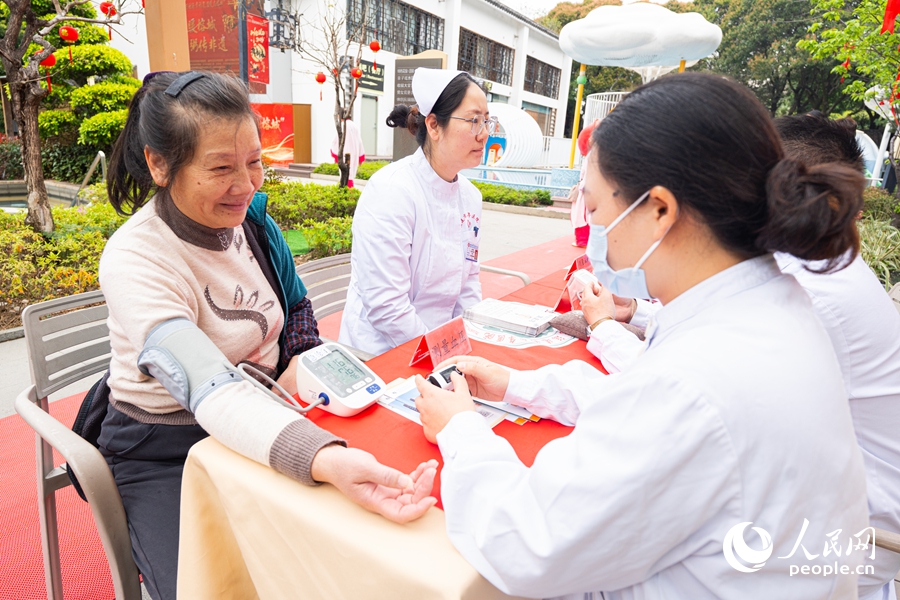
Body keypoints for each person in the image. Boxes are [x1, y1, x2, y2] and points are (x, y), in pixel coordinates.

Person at [414, 73, 870, 598]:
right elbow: (642, 401)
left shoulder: (697, 380)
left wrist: (460, 432)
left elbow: (526, 540)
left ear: (659, 210)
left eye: (598, 205)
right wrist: (516, 385)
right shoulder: (770, 306)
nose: (592, 227)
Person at [99, 71, 436, 600]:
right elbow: (206, 384)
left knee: (332, 557)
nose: (247, 185)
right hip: (167, 446)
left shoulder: (250, 220)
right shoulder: (136, 257)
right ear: (160, 165)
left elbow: (295, 304)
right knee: (212, 582)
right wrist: (321, 457)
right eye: (221, 168)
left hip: (269, 406)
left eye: (255, 162)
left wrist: (300, 362)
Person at [338, 68, 494, 355]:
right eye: (473, 121)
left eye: (487, 121)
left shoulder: (470, 197)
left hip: (442, 346)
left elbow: (469, 282)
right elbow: (387, 308)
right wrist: (442, 356)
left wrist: (473, 342)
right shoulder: (392, 191)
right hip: (382, 351)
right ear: (434, 126)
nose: (484, 134)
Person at [570, 119, 599, 247]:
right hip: (591, 188)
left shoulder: (593, 155)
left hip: (588, 189)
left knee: (582, 215)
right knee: (585, 215)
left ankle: (583, 240)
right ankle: (586, 240)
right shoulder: (597, 155)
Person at [330, 118, 365, 188]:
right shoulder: (354, 125)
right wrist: (360, 156)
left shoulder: (342, 125)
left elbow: (335, 141)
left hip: (344, 153)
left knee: (345, 175)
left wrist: (336, 155)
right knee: (351, 174)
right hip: (354, 152)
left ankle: (346, 192)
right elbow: (359, 141)